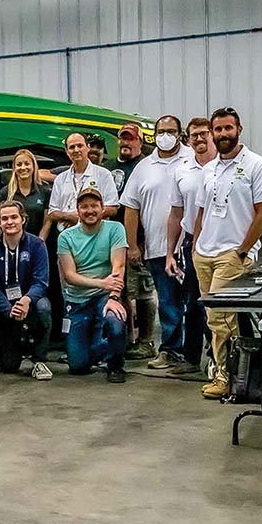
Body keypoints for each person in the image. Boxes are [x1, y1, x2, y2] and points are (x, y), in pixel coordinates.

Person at [192, 107, 262, 399]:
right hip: (205, 253)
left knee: (221, 318)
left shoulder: (256, 166)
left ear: (239, 129)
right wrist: (196, 244)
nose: (223, 134)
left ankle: (226, 377)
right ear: (213, 133)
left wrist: (242, 250)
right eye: (219, 129)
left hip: (233, 253)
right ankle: (231, 372)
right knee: (214, 318)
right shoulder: (209, 169)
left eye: (228, 128)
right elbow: (202, 210)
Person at [121, 115, 194, 370]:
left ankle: (196, 355)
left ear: (180, 133)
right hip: (157, 247)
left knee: (194, 304)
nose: (165, 135)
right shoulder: (144, 166)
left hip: (191, 246)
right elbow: (131, 207)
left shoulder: (192, 159)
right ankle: (172, 350)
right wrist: (132, 244)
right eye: (161, 131)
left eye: (170, 131)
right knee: (168, 302)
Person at [57, 188, 128, 383]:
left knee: (115, 321)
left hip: (105, 296)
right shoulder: (65, 237)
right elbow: (70, 276)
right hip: (77, 300)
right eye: (84, 206)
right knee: (78, 366)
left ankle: (115, 364)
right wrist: (101, 282)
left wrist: (114, 297)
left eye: (94, 206)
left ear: (102, 208)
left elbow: (118, 265)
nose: (90, 211)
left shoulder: (115, 229)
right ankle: (99, 344)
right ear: (78, 210)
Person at [165, 117, 217, 376]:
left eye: (204, 134)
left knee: (220, 305)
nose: (199, 139)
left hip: (220, 244)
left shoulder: (222, 167)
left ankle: (224, 360)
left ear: (213, 135)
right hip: (190, 245)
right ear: (187, 139)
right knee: (193, 303)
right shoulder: (181, 170)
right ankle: (191, 357)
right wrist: (170, 253)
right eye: (194, 135)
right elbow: (176, 214)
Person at [0, 201, 52, 379]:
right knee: (9, 366)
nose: (9, 222)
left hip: (30, 301)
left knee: (44, 307)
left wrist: (26, 300)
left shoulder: (37, 245)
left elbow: (41, 281)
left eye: (14, 217)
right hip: (4, 306)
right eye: (4, 218)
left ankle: (39, 360)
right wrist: (8, 309)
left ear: (23, 219)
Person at [106, 124, 156, 360]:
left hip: (142, 241)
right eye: (122, 140)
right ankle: (126, 339)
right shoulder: (110, 168)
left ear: (139, 142)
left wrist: (139, 243)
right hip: (115, 242)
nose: (126, 144)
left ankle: (146, 341)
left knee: (144, 292)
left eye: (130, 140)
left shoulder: (147, 167)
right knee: (121, 290)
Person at [48, 133, 119, 231]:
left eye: (80, 146)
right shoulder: (60, 179)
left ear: (88, 147)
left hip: (96, 234)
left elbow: (112, 208)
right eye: (72, 147)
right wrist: (68, 216)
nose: (76, 150)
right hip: (66, 235)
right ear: (67, 151)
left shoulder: (103, 174)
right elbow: (52, 212)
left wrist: (82, 217)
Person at [0, 149, 53, 240]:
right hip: (13, 243)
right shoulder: (4, 193)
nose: (23, 167)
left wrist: (39, 242)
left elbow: (47, 222)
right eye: (19, 165)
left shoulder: (45, 191)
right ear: (14, 168)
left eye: (27, 164)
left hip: (38, 242)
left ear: (34, 166)